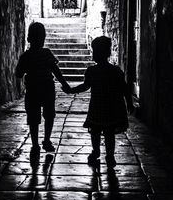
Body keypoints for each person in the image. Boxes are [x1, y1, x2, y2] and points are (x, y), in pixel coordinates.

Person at [63, 36, 134, 168]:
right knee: (109, 133)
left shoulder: (92, 71)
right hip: (111, 108)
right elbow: (125, 89)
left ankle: (96, 152)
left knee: (95, 131)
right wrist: (129, 103)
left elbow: (85, 86)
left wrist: (71, 90)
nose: (94, 54)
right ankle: (110, 155)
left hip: (96, 107)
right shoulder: (116, 71)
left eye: (95, 51)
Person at [16, 22, 70, 156]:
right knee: (49, 115)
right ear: (43, 38)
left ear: (28, 38)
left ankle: (35, 145)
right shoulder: (47, 54)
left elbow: (18, 74)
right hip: (47, 89)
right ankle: (46, 140)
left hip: (32, 91)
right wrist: (64, 84)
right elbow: (55, 70)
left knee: (33, 118)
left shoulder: (25, 56)